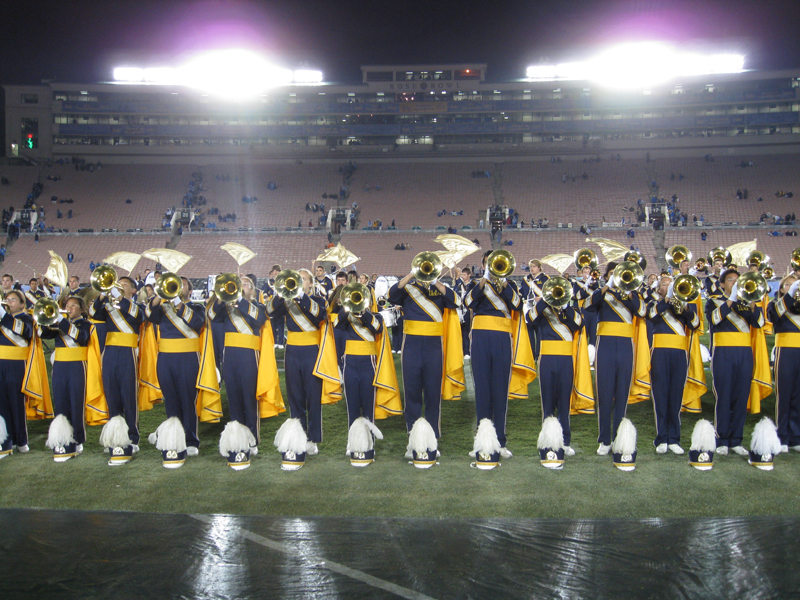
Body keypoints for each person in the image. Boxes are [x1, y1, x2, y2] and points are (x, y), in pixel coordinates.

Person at [465, 251, 534, 457]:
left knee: (500, 388)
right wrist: (484, 281)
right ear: (483, 265)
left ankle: (501, 441)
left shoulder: (509, 285)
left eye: (494, 263)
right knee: (482, 388)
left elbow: (518, 305)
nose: (492, 266)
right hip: (480, 337)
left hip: (502, 337)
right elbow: (468, 302)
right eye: (488, 263)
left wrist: (503, 284)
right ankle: (481, 441)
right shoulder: (476, 285)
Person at [389, 261, 463, 450]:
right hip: (411, 344)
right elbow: (391, 295)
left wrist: (435, 280)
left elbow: (456, 301)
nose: (424, 273)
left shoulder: (439, 289)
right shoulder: (408, 288)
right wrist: (412, 274)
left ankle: (433, 437)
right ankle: (412, 436)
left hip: (434, 346)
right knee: (412, 391)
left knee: (432, 392)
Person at [266, 269, 336, 455]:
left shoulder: (318, 300)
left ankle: (313, 438)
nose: (300, 282)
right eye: (298, 279)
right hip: (292, 350)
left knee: (313, 396)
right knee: (295, 396)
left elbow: (320, 315)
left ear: (310, 284)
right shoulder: (286, 301)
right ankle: (298, 435)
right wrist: (280, 293)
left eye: (303, 279)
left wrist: (301, 296)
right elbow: (269, 310)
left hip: (312, 351)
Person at [146, 277, 209, 455]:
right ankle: (173, 437)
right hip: (165, 358)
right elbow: (149, 315)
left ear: (190, 290)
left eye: (183, 284)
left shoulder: (197, 307)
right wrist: (159, 294)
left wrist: (176, 301)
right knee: (171, 400)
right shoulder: (163, 308)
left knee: (187, 399)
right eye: (176, 284)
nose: (179, 286)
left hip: (188, 357)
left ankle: (191, 440)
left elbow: (196, 322)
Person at [705, 268, 765, 455]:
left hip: (745, 352)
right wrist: (731, 299)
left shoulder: (748, 303)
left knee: (741, 395)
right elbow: (714, 319)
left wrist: (752, 304)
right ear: (722, 284)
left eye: (738, 281)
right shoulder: (713, 301)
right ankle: (721, 438)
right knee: (724, 395)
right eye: (731, 280)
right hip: (723, 352)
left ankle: (736, 439)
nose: (735, 283)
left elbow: (760, 323)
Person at [590, 262, 646, 454]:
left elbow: (642, 311)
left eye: (620, 274)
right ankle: (605, 440)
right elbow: (588, 305)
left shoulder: (633, 294)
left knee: (622, 393)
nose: (617, 277)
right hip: (604, 344)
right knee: (604, 393)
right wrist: (606, 286)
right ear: (607, 276)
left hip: (625, 346)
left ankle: (620, 438)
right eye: (613, 274)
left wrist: (630, 291)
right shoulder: (602, 293)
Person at [209, 276, 269, 448]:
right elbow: (211, 315)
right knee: (233, 398)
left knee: (249, 398)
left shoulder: (258, 306)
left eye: (245, 284)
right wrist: (221, 299)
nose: (241, 286)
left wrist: (240, 300)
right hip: (229, 356)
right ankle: (237, 438)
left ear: (252, 290)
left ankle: (252, 441)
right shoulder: (225, 307)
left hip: (249, 356)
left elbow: (259, 319)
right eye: (238, 283)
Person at [89, 276, 144, 451]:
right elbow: (93, 313)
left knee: (128, 396)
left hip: (128, 352)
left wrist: (119, 297)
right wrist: (102, 296)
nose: (120, 286)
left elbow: (139, 316)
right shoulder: (108, 307)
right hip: (110, 352)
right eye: (117, 284)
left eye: (124, 285)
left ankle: (132, 437)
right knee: (111, 395)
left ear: (134, 290)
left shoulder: (137, 306)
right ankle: (115, 436)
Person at [647, 276, 701, 454]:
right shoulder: (655, 304)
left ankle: (674, 439)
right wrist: (667, 301)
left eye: (672, 284)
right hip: (660, 352)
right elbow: (651, 316)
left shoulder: (686, 305)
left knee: (676, 395)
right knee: (661, 394)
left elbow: (695, 324)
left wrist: (684, 308)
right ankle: (661, 438)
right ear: (659, 289)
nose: (668, 286)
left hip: (679, 354)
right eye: (664, 284)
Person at [527, 291, 584, 456]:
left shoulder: (571, 311)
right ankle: (547, 441)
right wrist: (543, 301)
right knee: (548, 402)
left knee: (564, 401)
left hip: (566, 359)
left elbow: (580, 323)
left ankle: (565, 441)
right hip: (547, 359)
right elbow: (529, 319)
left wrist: (566, 306)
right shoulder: (542, 311)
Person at [39, 297, 97, 453]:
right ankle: (61, 437)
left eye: (73, 305)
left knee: (76, 402)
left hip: (77, 366)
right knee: (60, 401)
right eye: (67, 306)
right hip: (59, 366)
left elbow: (81, 337)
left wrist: (60, 319)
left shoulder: (87, 324)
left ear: (82, 309)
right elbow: (43, 334)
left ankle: (78, 438)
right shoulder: (59, 323)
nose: (69, 308)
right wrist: (43, 318)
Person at [335, 302, 400, 427]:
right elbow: (336, 323)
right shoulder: (346, 317)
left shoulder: (376, 317)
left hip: (368, 364)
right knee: (352, 407)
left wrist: (363, 311)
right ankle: (353, 444)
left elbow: (377, 328)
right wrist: (347, 307)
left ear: (369, 303)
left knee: (368, 406)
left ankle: (370, 444)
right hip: (349, 363)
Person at [767, 275, 800, 452]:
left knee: (799, 395)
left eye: (794, 285)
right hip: (785, 351)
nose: (791, 287)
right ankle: (782, 437)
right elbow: (773, 316)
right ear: (781, 289)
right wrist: (790, 294)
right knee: (784, 394)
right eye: (787, 285)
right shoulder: (776, 304)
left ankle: (796, 437)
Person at [0, 291, 33, 454]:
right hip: (0, 362)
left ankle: (21, 440)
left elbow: (23, 331)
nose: (9, 302)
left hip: (16, 364)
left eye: (13, 300)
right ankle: (7, 439)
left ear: (22, 304)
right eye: (8, 299)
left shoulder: (27, 318)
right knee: (2, 403)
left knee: (16, 401)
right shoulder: (3, 318)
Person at [520, 259, 549, 359]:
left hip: (540, 310)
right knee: (529, 333)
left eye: (534, 266)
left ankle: (539, 354)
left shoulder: (545, 278)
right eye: (531, 266)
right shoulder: (526, 279)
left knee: (540, 332)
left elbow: (549, 294)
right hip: (528, 309)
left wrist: (541, 298)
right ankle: (531, 355)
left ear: (539, 267)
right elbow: (522, 292)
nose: (532, 268)